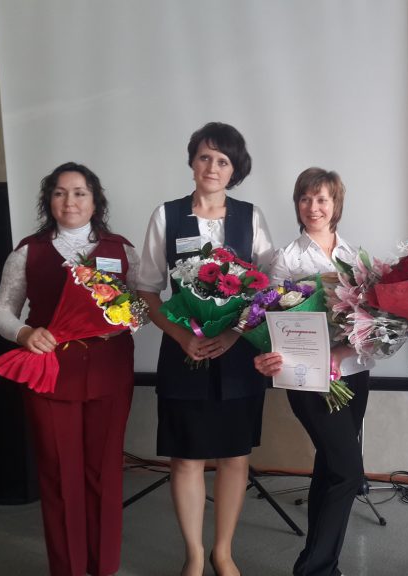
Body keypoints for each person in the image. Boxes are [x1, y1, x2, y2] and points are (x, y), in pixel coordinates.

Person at [137, 122, 274, 576]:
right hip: (184, 352)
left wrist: (234, 334)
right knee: (187, 457)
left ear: (235, 170)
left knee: (235, 456)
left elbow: (268, 290)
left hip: (238, 354)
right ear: (192, 161)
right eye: (204, 157)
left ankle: (223, 552)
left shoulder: (251, 217)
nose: (212, 167)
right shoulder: (167, 216)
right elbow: (148, 289)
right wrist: (182, 336)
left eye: (223, 160)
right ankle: (194, 555)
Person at [0, 163, 138, 576]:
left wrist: (122, 321)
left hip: (109, 372)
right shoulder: (27, 252)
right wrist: (24, 333)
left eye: (79, 192)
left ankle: (103, 566)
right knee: (59, 474)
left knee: (104, 472)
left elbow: (140, 305)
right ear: (49, 201)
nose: (69, 201)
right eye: (59, 193)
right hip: (49, 373)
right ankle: (68, 569)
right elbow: (1, 311)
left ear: (95, 201)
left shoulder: (122, 250)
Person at [253, 167, 370, 576]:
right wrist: (268, 352)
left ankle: (324, 565)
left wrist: (343, 349)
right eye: (305, 198)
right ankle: (314, 568)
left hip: (354, 371)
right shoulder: (286, 258)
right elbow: (266, 318)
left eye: (322, 199)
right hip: (306, 375)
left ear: (336, 204)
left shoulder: (355, 257)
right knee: (348, 471)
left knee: (330, 468)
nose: (313, 207)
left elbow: (371, 322)